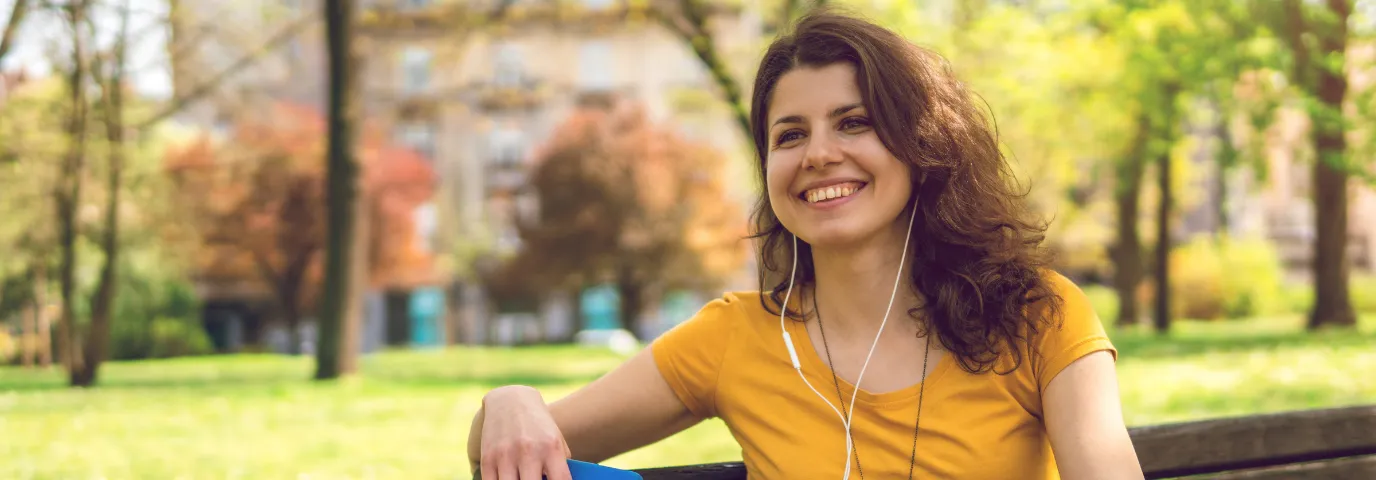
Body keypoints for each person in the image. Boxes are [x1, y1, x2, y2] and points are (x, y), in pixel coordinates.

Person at [468, 8, 1144, 479]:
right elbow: (507, 448)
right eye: (790, 135)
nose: (819, 154)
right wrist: (509, 401)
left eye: (853, 123)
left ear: (923, 147)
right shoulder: (735, 337)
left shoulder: (1038, 316)